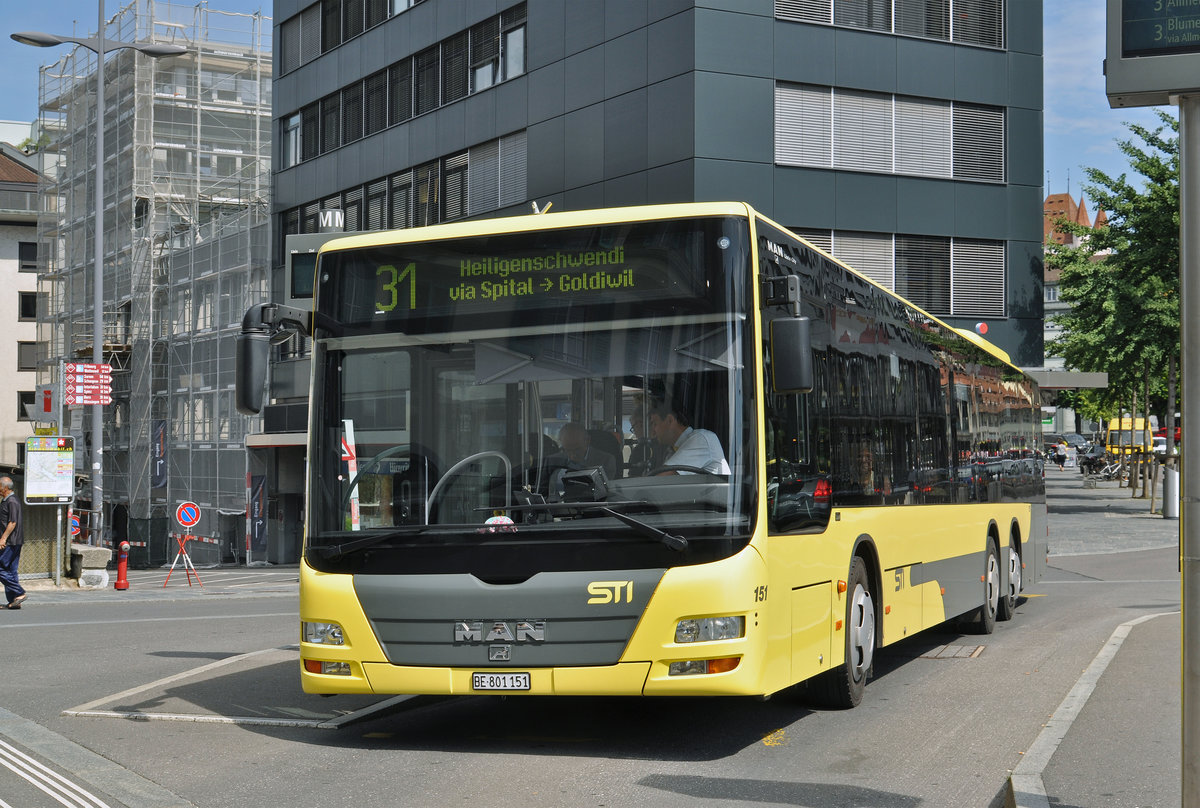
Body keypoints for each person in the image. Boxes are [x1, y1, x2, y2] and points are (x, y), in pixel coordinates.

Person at [648, 398, 730, 475]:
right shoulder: (671, 451)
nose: (653, 432)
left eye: (655, 424)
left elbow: (662, 478)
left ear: (670, 420)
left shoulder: (701, 439)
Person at [547, 422, 618, 495]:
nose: (572, 455)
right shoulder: (552, 461)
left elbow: (604, 492)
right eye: (568, 450)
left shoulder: (606, 461)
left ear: (587, 440)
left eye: (577, 450)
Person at [0, 476, 26, 610]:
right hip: (12, 541)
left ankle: (20, 592)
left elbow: (13, 522)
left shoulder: (12, 501)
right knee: (10, 570)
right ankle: (15, 600)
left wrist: (3, 538)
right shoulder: (6, 500)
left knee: (1, 569)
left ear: (5, 487)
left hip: (11, 542)